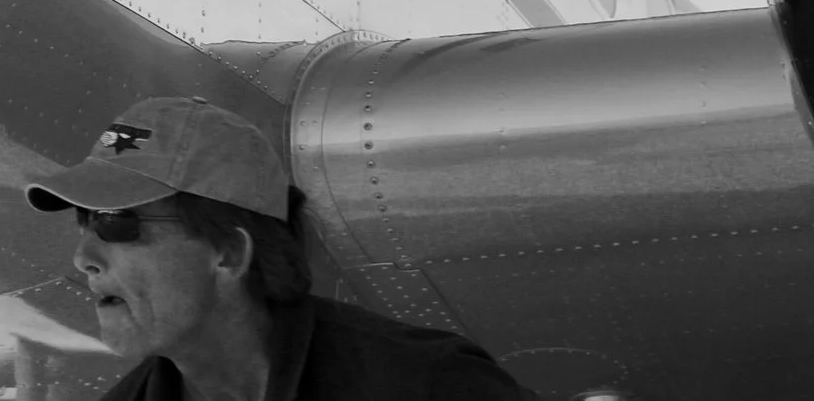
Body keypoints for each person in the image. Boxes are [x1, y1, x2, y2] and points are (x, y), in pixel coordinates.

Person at [28, 97, 528, 400]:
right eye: (84, 220)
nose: (83, 257)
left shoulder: (432, 387)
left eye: (117, 222)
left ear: (228, 253)